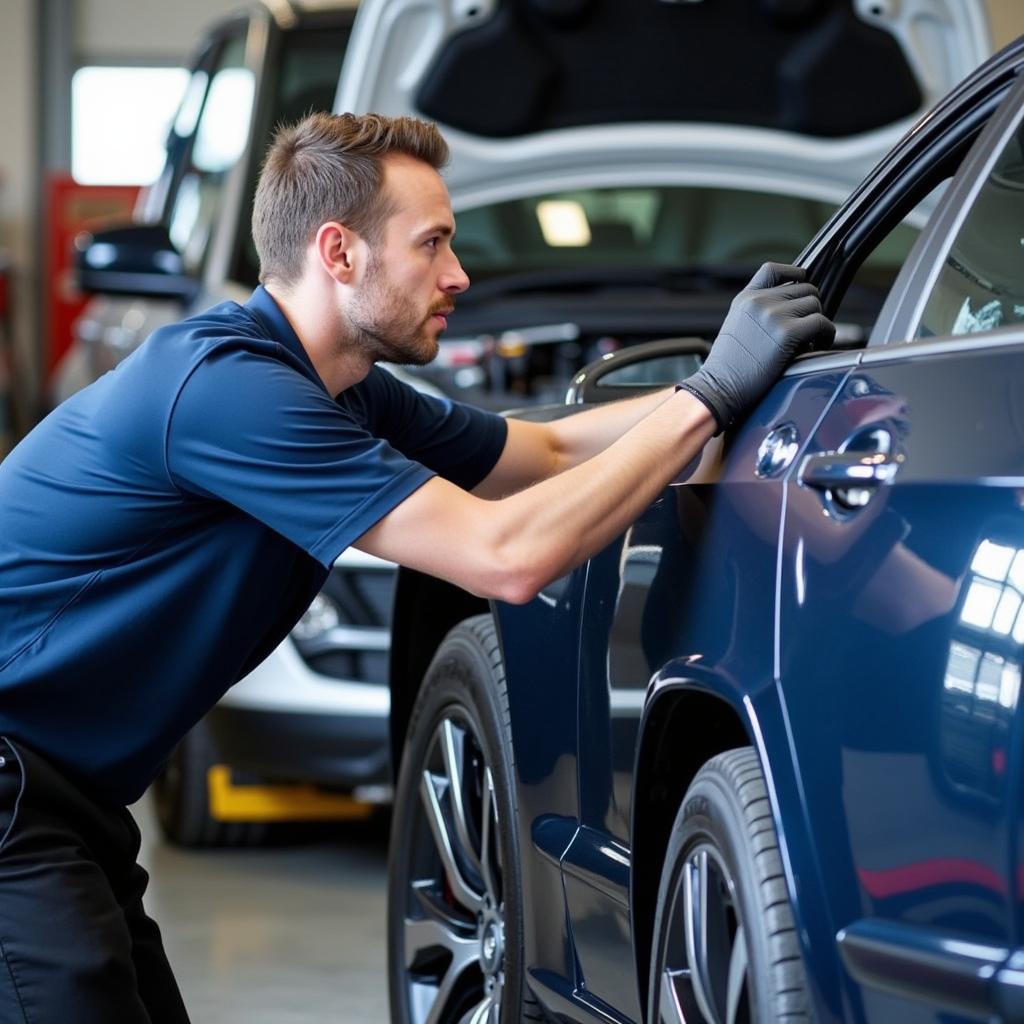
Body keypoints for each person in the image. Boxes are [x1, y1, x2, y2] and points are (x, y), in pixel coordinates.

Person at [0, 112, 834, 1022]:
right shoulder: (230, 391)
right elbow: (503, 555)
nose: (458, 275)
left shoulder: (338, 387)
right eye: (432, 243)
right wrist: (708, 399)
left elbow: (549, 452)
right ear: (340, 253)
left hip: (69, 798)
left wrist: (733, 384)